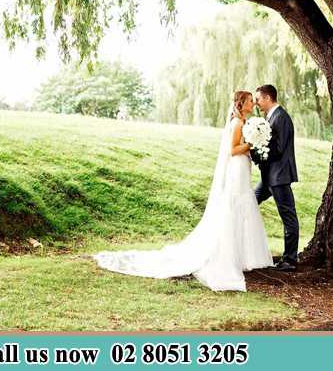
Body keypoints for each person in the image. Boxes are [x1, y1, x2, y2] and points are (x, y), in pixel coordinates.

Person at [92, 91, 273, 292]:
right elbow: (233, 150)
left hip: (242, 167)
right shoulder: (238, 124)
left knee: (244, 205)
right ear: (242, 104)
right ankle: (231, 256)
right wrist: (252, 142)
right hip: (237, 168)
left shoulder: (245, 122)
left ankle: (245, 256)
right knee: (236, 205)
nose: (253, 103)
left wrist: (253, 142)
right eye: (250, 101)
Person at [252, 84, 299, 272]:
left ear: (268, 98)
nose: (256, 103)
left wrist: (256, 152)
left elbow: (278, 149)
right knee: (249, 202)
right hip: (269, 176)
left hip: (279, 176)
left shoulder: (281, 117)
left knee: (288, 216)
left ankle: (290, 260)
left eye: (258, 99)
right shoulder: (270, 117)